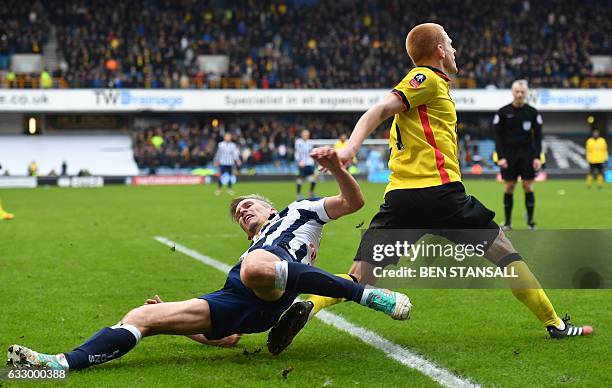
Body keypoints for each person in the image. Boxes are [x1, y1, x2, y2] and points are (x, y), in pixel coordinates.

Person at [267, 22, 591, 355]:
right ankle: (556, 324)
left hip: (400, 202)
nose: (454, 50)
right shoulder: (426, 79)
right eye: (450, 44)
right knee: (506, 256)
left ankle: (310, 305)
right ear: (438, 50)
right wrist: (350, 149)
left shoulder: (427, 96)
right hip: (442, 196)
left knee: (359, 277)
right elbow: (379, 108)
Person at [7, 147, 411, 371]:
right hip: (238, 298)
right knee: (141, 317)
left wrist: (338, 168)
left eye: (248, 205)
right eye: (238, 214)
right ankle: (59, 363)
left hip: (268, 283)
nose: (242, 212)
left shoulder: (300, 211)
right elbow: (227, 338)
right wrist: (185, 327)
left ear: (270, 208)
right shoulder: (251, 249)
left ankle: (368, 296)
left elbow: (354, 202)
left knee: (254, 268)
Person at [493, 80, 543, 230]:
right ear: (512, 92)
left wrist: (537, 157)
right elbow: (497, 137)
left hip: (527, 154)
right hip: (508, 155)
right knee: (509, 186)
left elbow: (538, 137)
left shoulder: (533, 113)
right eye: (517, 92)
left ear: (526, 93)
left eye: (522, 92)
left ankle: (531, 222)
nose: (520, 94)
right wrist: (501, 157)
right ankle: (508, 222)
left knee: (528, 186)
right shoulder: (502, 112)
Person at [294, 129, 317, 199]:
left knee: (313, 179)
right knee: (300, 179)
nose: (306, 136)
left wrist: (313, 160)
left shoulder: (309, 143)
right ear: (301, 135)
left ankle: (311, 193)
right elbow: (297, 152)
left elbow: (310, 153)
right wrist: (299, 162)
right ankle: (298, 194)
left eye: (307, 135)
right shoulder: (298, 142)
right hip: (302, 163)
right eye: (304, 134)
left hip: (309, 163)